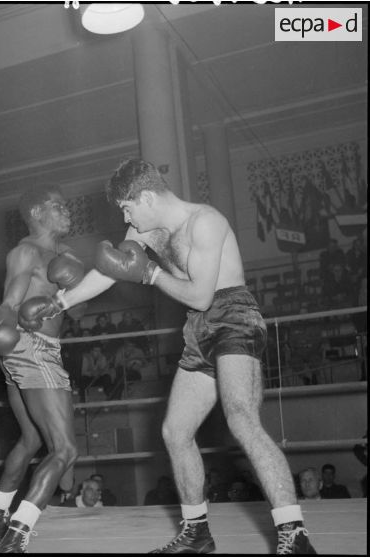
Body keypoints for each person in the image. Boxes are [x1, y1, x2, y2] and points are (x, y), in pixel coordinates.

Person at [22, 158, 316, 554]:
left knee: (241, 418)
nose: (125, 216)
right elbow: (110, 271)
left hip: (233, 317)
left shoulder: (205, 222)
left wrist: (152, 275)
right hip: (198, 327)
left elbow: (201, 295)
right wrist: (60, 301)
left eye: (127, 207)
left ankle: (293, 533)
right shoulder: (144, 228)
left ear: (145, 196)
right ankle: (196, 532)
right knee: (174, 432)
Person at [0, 185, 84, 553]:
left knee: (32, 440)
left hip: (34, 350)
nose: (66, 211)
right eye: (58, 206)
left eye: (66, 205)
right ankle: (16, 535)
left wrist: (69, 287)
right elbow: (10, 302)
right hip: (32, 348)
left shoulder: (65, 254)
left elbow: (78, 313)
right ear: (37, 213)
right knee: (65, 450)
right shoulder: (26, 252)